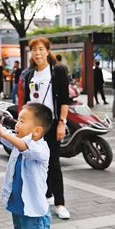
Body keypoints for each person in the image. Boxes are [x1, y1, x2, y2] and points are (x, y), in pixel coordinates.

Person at [23, 37, 70, 219]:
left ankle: (60, 203)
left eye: (41, 49)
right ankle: (46, 195)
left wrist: (62, 123)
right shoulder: (29, 74)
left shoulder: (57, 71)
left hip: (52, 124)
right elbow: (29, 101)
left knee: (53, 164)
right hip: (35, 127)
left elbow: (64, 100)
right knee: (36, 163)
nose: (37, 53)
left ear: (48, 51)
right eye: (34, 50)